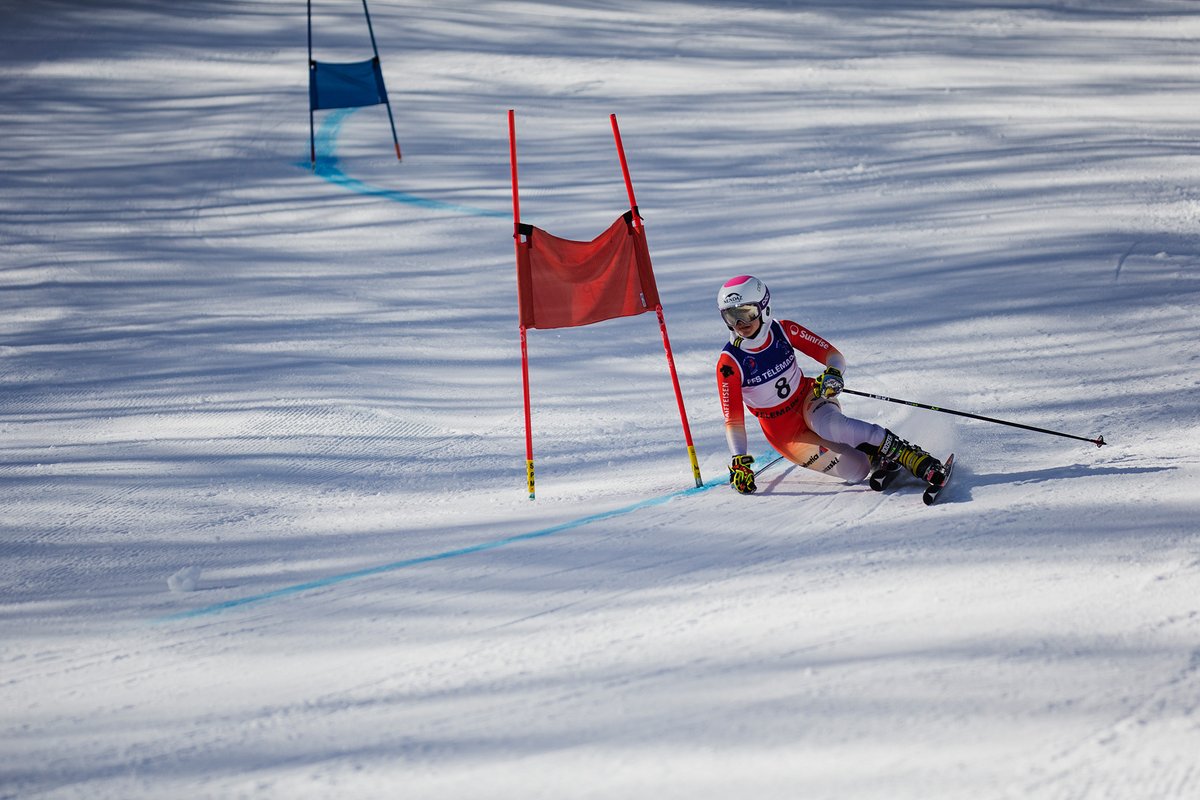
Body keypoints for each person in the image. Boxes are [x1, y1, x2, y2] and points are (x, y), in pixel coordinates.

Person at [715, 274, 947, 495]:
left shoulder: (784, 330)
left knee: (831, 426)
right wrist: (739, 461)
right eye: (731, 316)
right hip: (781, 431)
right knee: (856, 470)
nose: (740, 323)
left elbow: (833, 356)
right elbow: (733, 419)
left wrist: (833, 373)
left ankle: (910, 455)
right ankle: (876, 455)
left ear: (764, 308)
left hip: (808, 397)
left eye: (747, 313)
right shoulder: (730, 363)